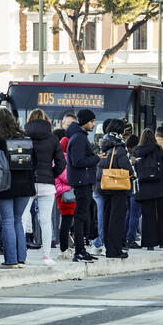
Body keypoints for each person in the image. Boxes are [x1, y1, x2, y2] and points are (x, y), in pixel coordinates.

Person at [0, 108, 36, 268]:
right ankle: (21, 258)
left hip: (4, 186)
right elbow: (33, 163)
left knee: (7, 221)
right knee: (18, 221)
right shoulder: (25, 138)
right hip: (25, 186)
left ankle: (10, 260)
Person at [24, 109, 65, 266]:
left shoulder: (24, 136)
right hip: (47, 184)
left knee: (22, 218)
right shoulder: (53, 138)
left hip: (27, 182)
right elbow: (61, 163)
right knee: (45, 220)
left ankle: (23, 255)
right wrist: (50, 174)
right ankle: (46, 256)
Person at [65, 109, 100, 263]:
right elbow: (78, 161)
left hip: (82, 181)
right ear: (85, 122)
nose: (94, 124)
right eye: (92, 121)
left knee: (82, 216)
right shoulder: (79, 138)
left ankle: (81, 249)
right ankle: (79, 250)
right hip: (81, 181)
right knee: (80, 217)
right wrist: (96, 158)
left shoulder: (78, 136)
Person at [95, 119, 133, 259]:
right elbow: (127, 168)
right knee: (117, 219)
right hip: (117, 187)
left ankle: (108, 247)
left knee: (107, 217)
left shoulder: (104, 145)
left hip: (104, 186)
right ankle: (115, 250)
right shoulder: (119, 147)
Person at [134, 128, 163, 251]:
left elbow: (136, 170)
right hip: (161, 187)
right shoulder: (159, 150)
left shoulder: (138, 151)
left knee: (147, 216)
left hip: (145, 187)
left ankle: (149, 243)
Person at [56, 133, 75, 260]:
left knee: (66, 222)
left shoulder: (59, 158)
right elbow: (66, 177)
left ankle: (65, 247)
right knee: (66, 223)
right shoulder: (65, 159)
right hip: (67, 194)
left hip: (62, 194)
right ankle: (64, 249)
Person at [124, 134, 142, 249]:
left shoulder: (124, 155)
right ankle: (131, 238)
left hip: (125, 187)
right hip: (135, 187)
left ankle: (124, 236)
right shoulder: (134, 158)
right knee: (135, 214)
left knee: (128, 213)